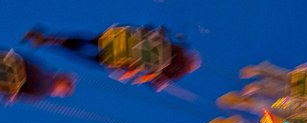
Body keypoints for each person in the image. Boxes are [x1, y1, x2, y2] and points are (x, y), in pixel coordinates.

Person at [23, 27, 199, 91]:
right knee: (91, 56)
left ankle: (50, 38)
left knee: (90, 40)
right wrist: (136, 77)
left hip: (122, 40)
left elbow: (156, 34)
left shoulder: (178, 48)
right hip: (123, 57)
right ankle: (50, 41)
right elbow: (156, 80)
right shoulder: (176, 71)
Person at [0, 52, 75, 103]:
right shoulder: (44, 87)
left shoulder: (41, 71)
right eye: (62, 92)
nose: (59, 95)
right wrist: (12, 96)